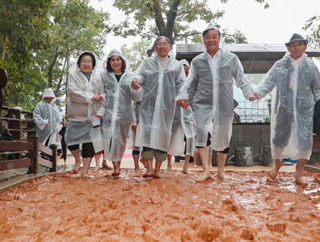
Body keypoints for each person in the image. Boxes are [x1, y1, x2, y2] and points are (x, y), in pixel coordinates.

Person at [177, 26, 254, 181]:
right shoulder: (198, 61)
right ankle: (206, 170)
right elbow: (191, 83)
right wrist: (185, 98)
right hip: (202, 103)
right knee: (202, 134)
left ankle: (220, 171)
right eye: (208, 37)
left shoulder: (231, 58)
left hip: (224, 103)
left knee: (223, 135)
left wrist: (249, 92)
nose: (211, 40)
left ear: (219, 39)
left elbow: (241, 77)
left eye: (214, 36)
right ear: (203, 40)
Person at [249, 33, 320, 185]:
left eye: (299, 44)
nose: (296, 48)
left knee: (304, 141)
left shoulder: (310, 67)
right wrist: (257, 94)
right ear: (288, 48)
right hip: (283, 110)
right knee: (279, 139)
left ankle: (299, 174)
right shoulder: (280, 65)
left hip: (304, 112)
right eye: (293, 45)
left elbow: (318, 88)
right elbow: (268, 82)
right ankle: (276, 166)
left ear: (305, 46)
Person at [131, 36, 186, 178]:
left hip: (168, 108)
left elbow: (181, 84)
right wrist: (137, 81)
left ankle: (157, 169)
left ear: (170, 47)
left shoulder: (177, 65)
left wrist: (182, 98)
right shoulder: (147, 62)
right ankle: (149, 168)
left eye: (165, 44)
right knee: (147, 135)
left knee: (164, 136)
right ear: (155, 47)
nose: (162, 46)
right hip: (148, 106)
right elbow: (140, 76)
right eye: (159, 44)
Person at [101, 49, 142, 177]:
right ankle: (116, 167)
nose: (115, 62)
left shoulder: (130, 76)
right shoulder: (104, 76)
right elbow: (100, 93)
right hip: (109, 114)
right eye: (112, 60)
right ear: (109, 62)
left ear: (122, 61)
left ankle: (118, 162)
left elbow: (136, 98)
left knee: (120, 141)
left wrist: (136, 88)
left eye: (118, 59)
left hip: (125, 114)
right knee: (111, 139)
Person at [66, 51, 105, 177]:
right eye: (84, 61)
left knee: (90, 144)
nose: (86, 63)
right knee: (70, 140)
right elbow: (73, 93)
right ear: (79, 63)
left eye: (89, 61)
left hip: (93, 116)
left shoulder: (98, 78)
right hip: (76, 115)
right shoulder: (73, 74)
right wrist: (92, 96)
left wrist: (100, 111)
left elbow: (103, 95)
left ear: (93, 64)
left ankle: (86, 171)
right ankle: (78, 160)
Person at [33, 88, 62, 152]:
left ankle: (46, 156)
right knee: (41, 143)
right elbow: (36, 115)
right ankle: (39, 156)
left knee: (50, 144)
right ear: (45, 97)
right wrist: (43, 122)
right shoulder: (40, 105)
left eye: (51, 97)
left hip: (53, 129)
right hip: (43, 129)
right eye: (49, 97)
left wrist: (60, 121)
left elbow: (57, 115)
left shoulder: (54, 106)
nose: (50, 99)